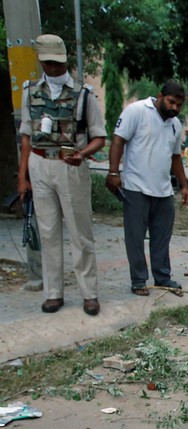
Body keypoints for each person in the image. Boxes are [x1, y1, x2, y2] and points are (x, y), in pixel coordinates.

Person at [17, 34, 106, 315]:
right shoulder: (30, 92)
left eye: (57, 62)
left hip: (71, 165)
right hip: (39, 163)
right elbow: (26, 139)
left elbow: (99, 136)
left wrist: (82, 153)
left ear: (65, 59)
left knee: (80, 232)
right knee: (48, 231)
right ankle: (53, 292)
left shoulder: (83, 93)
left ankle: (89, 293)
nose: (53, 68)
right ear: (41, 61)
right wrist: (23, 177)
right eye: (47, 63)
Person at [105, 80, 188, 297]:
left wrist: (184, 185)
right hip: (136, 187)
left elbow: (175, 157)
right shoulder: (137, 111)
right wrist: (113, 172)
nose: (175, 108)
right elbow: (118, 141)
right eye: (172, 102)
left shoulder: (175, 124)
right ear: (160, 95)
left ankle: (162, 277)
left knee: (162, 237)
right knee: (135, 237)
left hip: (163, 190)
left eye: (179, 105)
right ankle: (138, 280)